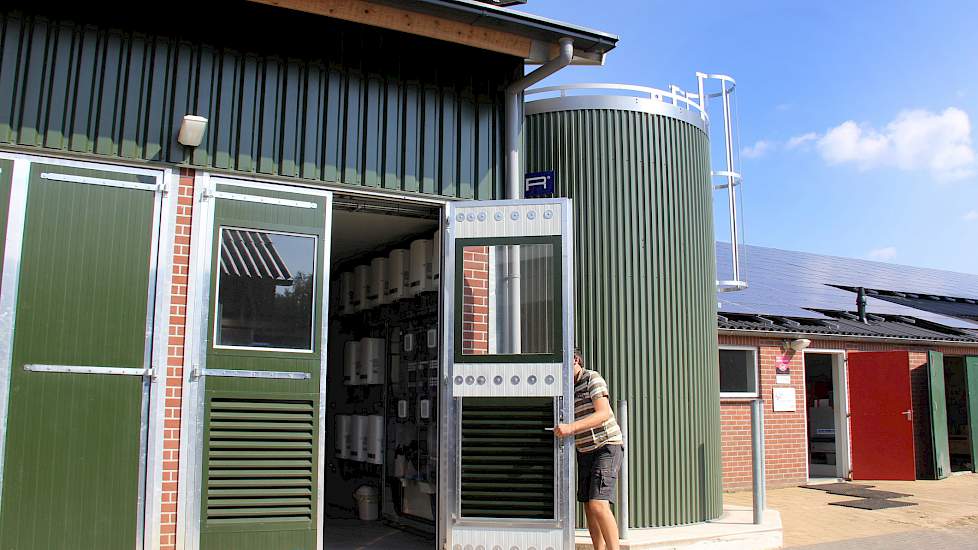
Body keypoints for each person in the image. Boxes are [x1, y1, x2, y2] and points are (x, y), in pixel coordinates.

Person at [554, 348, 623, 550]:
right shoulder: (566, 387)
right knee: (588, 506)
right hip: (584, 450)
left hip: (606, 446)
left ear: (575, 360)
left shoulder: (592, 378)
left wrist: (570, 428)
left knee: (598, 504)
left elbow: (604, 413)